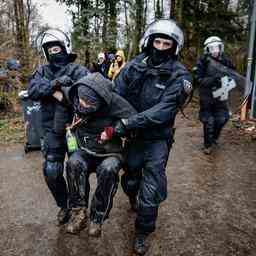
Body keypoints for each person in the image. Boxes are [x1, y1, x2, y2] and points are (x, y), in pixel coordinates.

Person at [113, 19, 192, 255]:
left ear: (174, 46)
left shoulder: (180, 75)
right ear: (148, 41)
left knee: (151, 188)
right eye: (156, 41)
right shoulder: (134, 66)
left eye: (166, 43)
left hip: (158, 138)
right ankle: (132, 199)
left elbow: (164, 110)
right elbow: (116, 93)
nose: (160, 46)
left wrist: (128, 122)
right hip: (134, 137)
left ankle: (142, 232)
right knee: (130, 180)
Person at [63, 72, 137, 236]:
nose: (82, 105)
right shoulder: (76, 94)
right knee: (73, 163)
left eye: (88, 103)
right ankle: (78, 214)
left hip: (109, 152)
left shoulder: (115, 102)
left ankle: (97, 217)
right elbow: (59, 92)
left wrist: (114, 130)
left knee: (108, 170)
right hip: (85, 149)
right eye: (80, 100)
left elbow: (135, 120)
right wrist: (55, 83)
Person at [28, 29, 89, 225]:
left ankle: (80, 208)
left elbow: (88, 93)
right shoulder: (42, 71)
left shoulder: (78, 69)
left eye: (57, 48)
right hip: (51, 130)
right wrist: (54, 84)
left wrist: (62, 93)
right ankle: (65, 205)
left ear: (64, 48)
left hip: (75, 129)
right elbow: (33, 90)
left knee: (77, 169)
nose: (54, 52)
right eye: (50, 49)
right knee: (51, 171)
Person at [196, 36, 235, 155]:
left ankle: (214, 138)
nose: (215, 50)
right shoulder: (202, 61)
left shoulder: (226, 61)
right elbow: (198, 79)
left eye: (217, 47)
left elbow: (233, 75)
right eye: (211, 48)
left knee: (222, 118)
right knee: (208, 120)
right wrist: (213, 80)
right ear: (207, 49)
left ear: (221, 47)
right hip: (206, 95)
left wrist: (229, 81)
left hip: (221, 94)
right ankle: (207, 145)